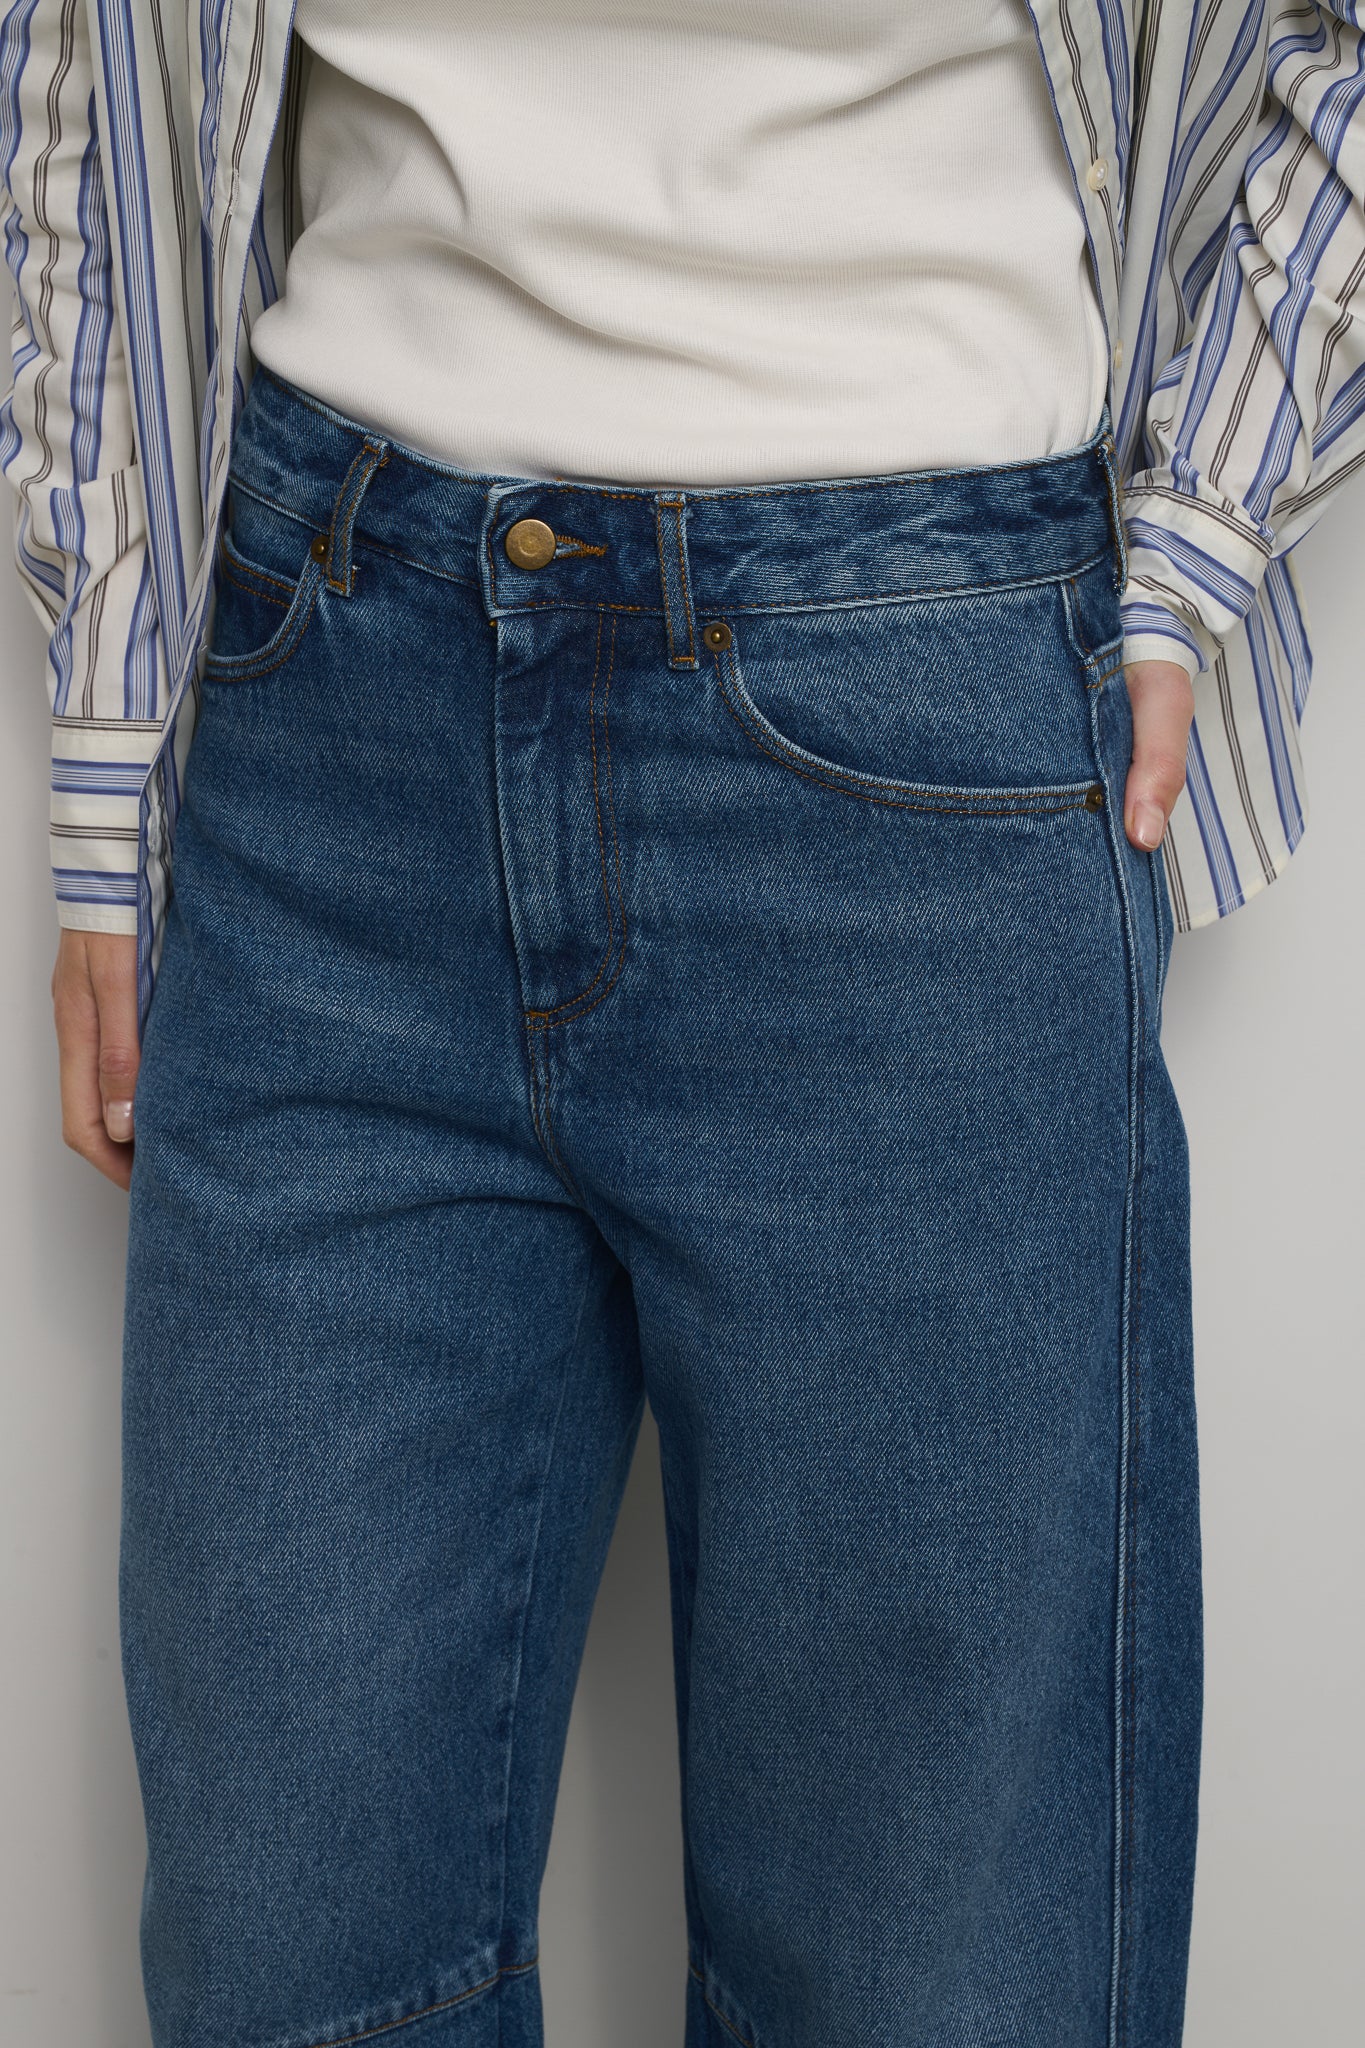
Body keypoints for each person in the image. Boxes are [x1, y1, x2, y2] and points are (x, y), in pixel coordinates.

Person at [2, 2, 1361, 2044]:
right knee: (288, 1968)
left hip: (920, 713)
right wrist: (114, 733)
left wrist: (1202, 526)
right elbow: (74, 54)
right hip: (327, 692)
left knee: (936, 1987)